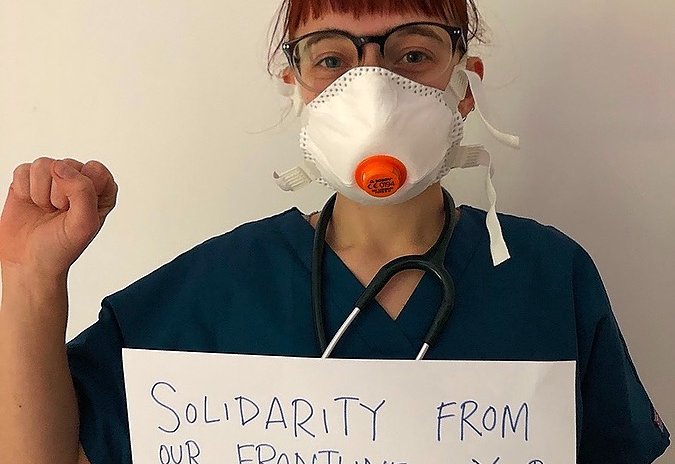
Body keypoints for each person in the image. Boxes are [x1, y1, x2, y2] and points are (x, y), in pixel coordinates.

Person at [0, 0, 670, 463]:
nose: (373, 91)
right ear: (295, 86)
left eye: (413, 54)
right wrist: (31, 279)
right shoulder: (216, 288)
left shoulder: (548, 274)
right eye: (330, 61)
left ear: (465, 85)